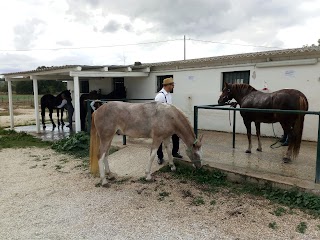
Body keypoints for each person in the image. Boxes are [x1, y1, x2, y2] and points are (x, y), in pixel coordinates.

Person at [155, 77, 183, 165]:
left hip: (169, 120)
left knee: (176, 134)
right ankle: (160, 157)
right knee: (159, 139)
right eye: (172, 85)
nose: (173, 86)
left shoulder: (169, 94)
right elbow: (157, 110)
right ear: (167, 86)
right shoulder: (160, 96)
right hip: (161, 121)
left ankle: (174, 152)